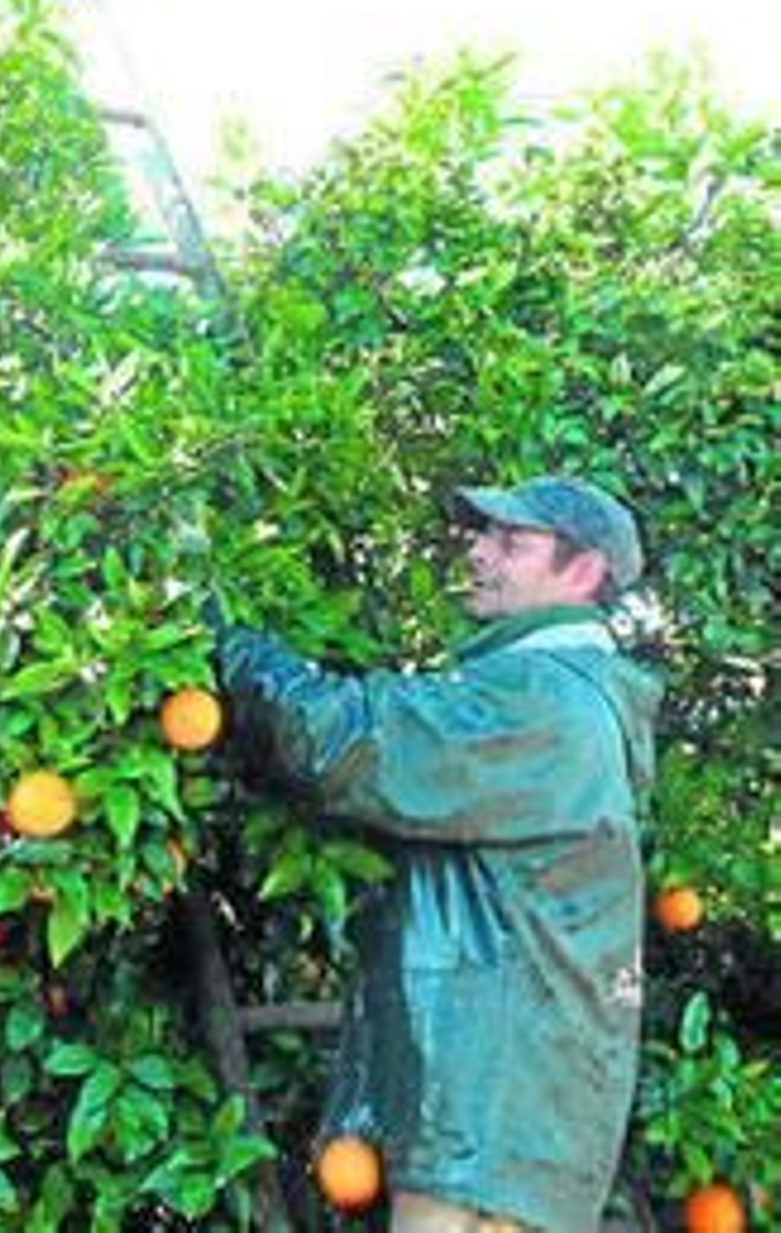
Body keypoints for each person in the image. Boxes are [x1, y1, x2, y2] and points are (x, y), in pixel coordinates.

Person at [214, 476, 662, 1232]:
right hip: (505, 1128)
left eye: (511, 543)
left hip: (490, 1134)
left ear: (582, 573)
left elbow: (346, 742)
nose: (479, 555)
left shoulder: (544, 701)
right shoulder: (559, 694)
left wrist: (221, 639)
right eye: (481, 536)